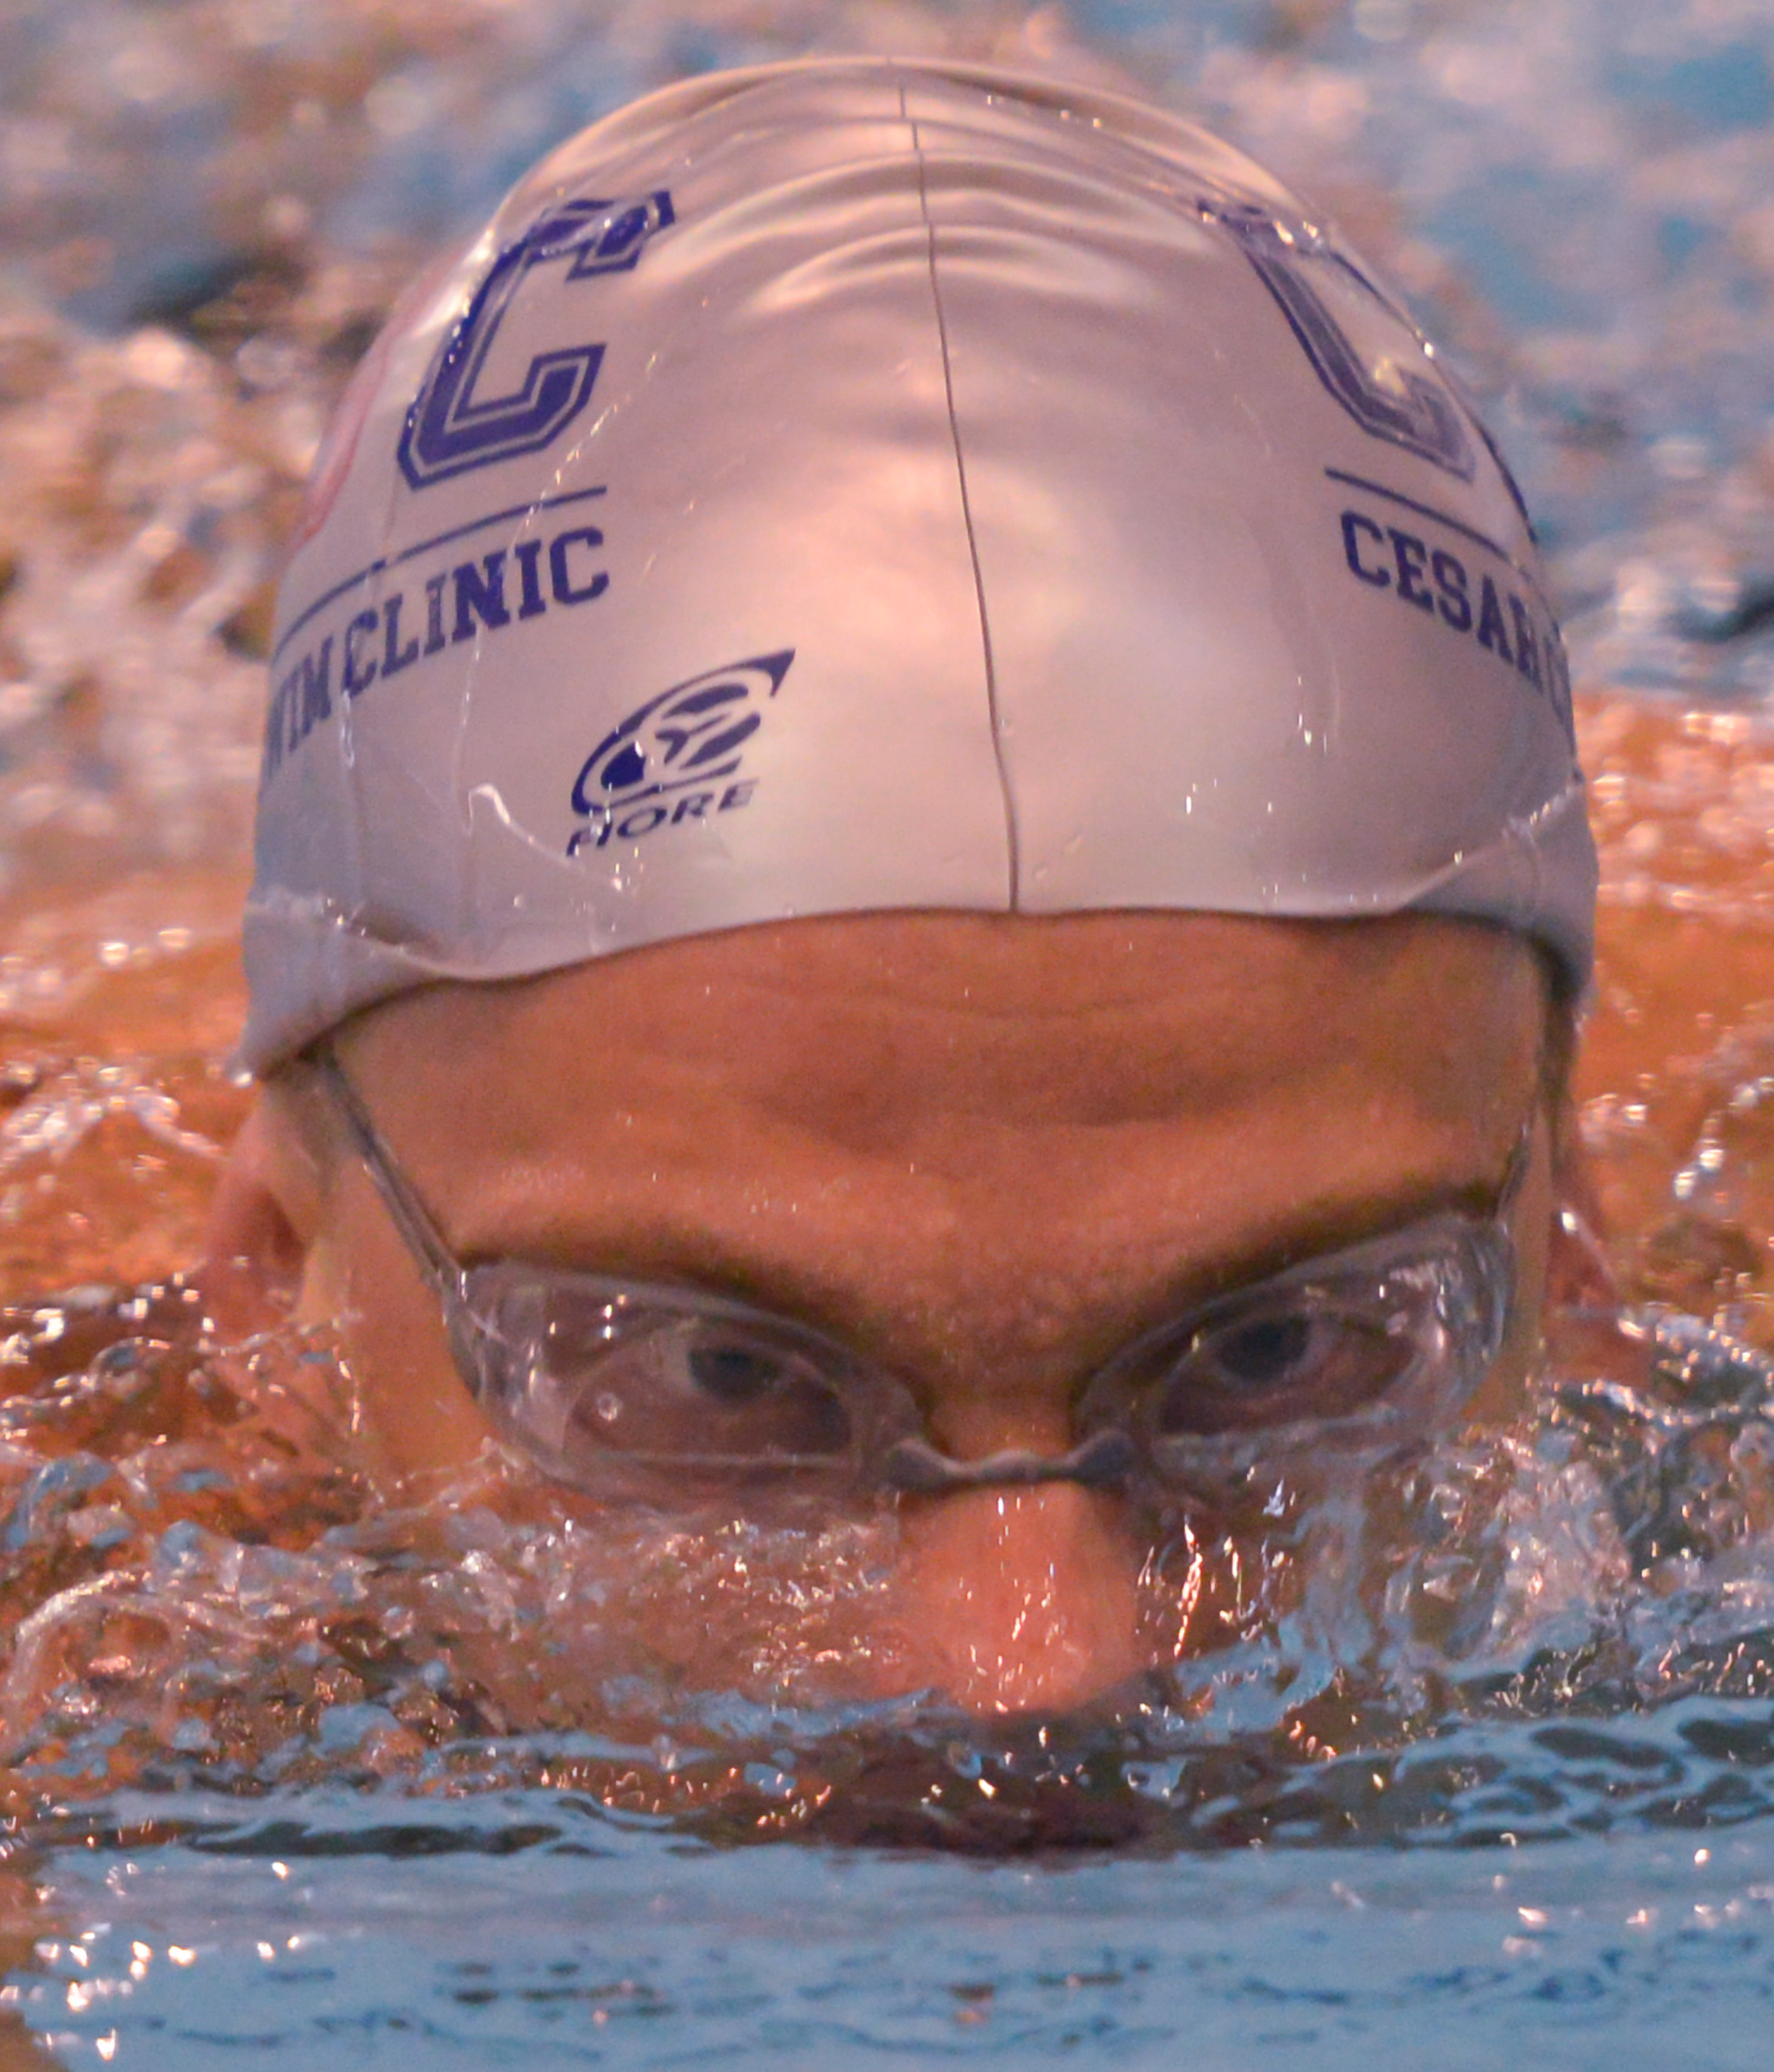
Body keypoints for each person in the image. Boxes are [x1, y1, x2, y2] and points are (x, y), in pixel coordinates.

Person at [200, 57, 1599, 1719]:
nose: (1032, 1675)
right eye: (710, 1378)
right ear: (264, 1295)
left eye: (1278, 1351)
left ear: (1573, 1241)